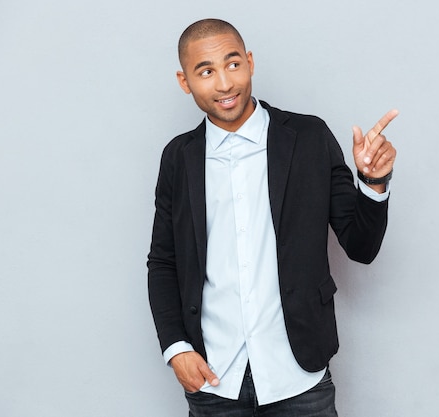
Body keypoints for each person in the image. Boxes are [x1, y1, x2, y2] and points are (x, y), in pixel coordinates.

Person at [147, 18, 397, 416]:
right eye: (206, 71)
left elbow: (361, 247)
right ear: (185, 81)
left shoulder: (309, 138)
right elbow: (163, 262)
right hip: (214, 381)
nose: (225, 84)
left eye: (232, 64)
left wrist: (373, 183)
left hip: (298, 376)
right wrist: (176, 348)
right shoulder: (178, 158)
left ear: (249, 62)